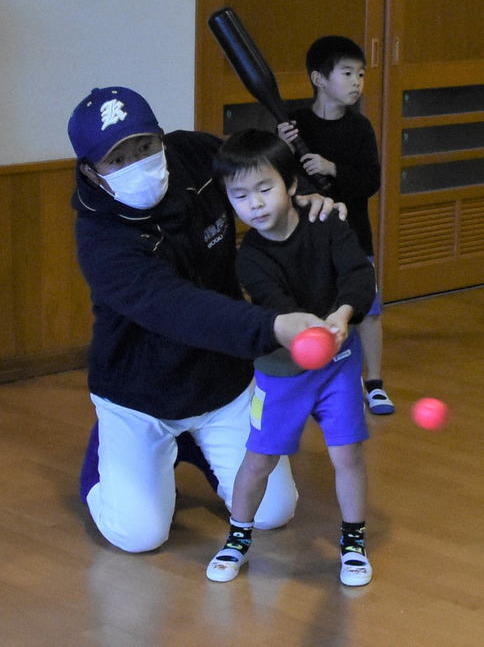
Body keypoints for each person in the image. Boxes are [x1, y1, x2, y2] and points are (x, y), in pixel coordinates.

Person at [67, 86, 341, 553]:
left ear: (160, 137)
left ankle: (191, 444)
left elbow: (261, 173)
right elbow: (179, 308)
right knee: (140, 536)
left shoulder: (196, 155)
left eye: (145, 145)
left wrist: (304, 195)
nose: (138, 162)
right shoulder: (100, 239)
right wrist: (273, 326)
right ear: (93, 173)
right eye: (118, 159)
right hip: (140, 396)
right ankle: (111, 453)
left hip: (221, 381)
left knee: (273, 512)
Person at [206, 128, 376, 587]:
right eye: (240, 196)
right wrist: (316, 327)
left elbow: (359, 277)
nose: (255, 203)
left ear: (293, 186)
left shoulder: (328, 224)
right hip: (282, 375)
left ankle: (353, 539)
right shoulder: (249, 259)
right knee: (258, 460)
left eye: (265, 188)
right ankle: (238, 536)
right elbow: (277, 309)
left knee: (347, 454)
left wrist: (342, 314)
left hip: (338, 366)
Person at [277, 36, 394, 415]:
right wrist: (279, 147)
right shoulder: (294, 125)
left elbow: (370, 181)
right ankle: (317, 380)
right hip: (309, 237)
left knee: (368, 308)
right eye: (347, 73)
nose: (358, 81)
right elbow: (278, 178)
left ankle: (373, 382)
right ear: (319, 78)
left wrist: (333, 169)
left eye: (361, 73)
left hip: (354, 234)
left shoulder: (360, 129)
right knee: (313, 305)